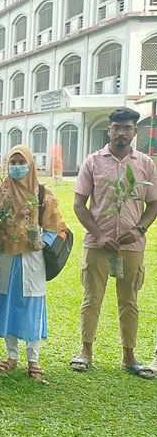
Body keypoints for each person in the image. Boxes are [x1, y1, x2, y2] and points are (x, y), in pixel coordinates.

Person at [70, 107, 157, 378]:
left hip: (131, 246)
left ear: (135, 131)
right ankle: (86, 352)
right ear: (109, 130)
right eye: (116, 127)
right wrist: (98, 234)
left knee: (129, 300)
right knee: (91, 298)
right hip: (98, 245)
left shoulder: (145, 164)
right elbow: (79, 205)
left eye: (127, 128)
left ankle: (129, 357)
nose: (121, 132)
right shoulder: (93, 162)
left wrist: (140, 229)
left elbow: (153, 203)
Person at [0, 145, 67, 382]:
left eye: (22, 162)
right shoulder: (0, 195)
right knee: (8, 304)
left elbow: (56, 225)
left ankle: (33, 358)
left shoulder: (42, 194)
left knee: (31, 305)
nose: (17, 167)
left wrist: (40, 239)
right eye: (13, 163)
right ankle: (11, 356)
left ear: (30, 164)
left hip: (33, 258)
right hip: (8, 258)